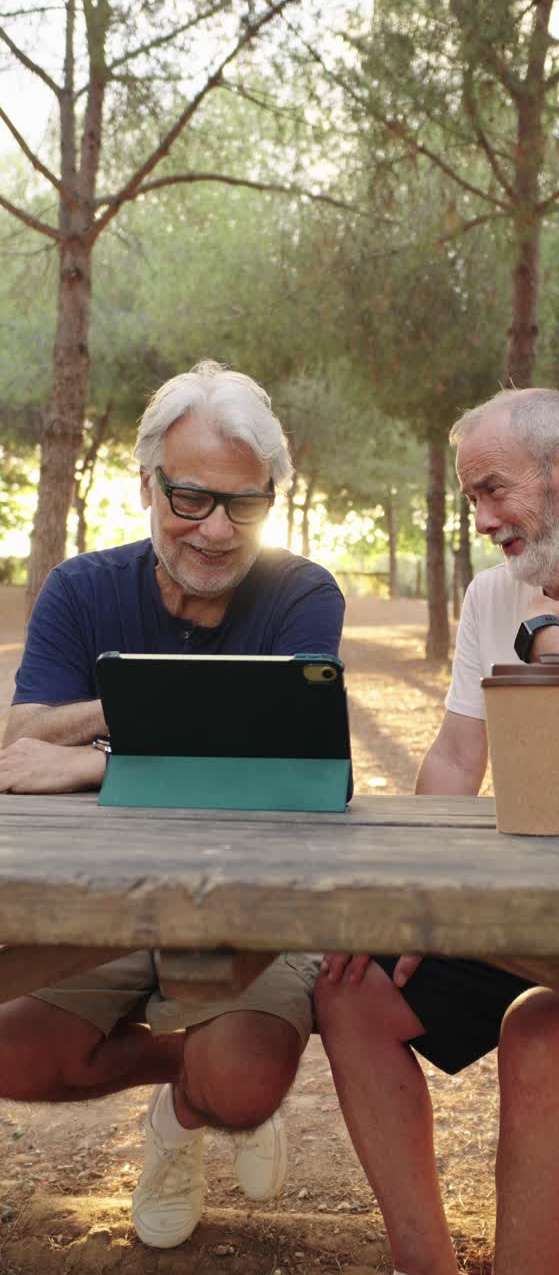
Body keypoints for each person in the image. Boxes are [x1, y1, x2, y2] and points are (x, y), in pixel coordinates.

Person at [315, 387, 559, 1275]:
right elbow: (458, 759)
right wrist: (414, 903)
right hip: (531, 900)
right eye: (471, 501)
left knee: (539, 1032)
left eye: (495, 491)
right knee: (350, 993)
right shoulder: (491, 596)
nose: (484, 519)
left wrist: (551, 647)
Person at [0, 360, 345, 1249]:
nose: (218, 531)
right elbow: (23, 744)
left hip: (255, 896)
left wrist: (96, 762)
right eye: (191, 499)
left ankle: (184, 1121)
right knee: (11, 1050)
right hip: (102, 896)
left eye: (245, 504)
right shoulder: (81, 589)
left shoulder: (304, 594)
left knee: (240, 1086)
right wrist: (141, 715)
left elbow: (286, 771)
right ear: (147, 484)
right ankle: (183, 1079)